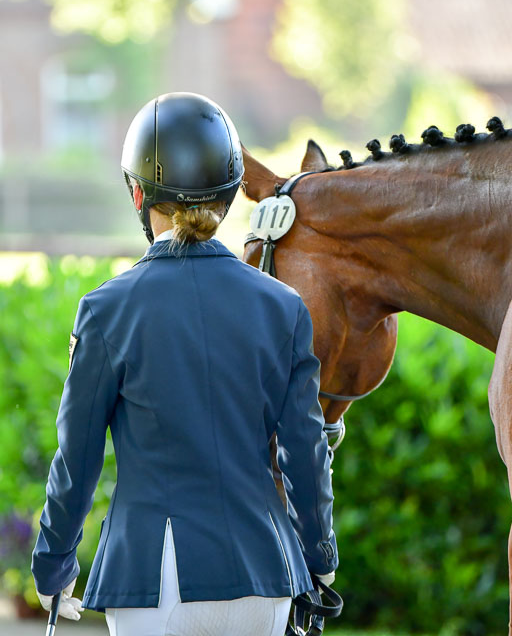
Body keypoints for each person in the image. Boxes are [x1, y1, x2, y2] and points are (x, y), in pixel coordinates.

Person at [31, 92, 337, 636]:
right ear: (226, 197)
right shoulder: (284, 306)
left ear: (136, 192)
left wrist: (53, 565)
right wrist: (319, 554)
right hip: (264, 571)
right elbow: (304, 451)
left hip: (153, 573)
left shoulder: (106, 309)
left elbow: (77, 458)